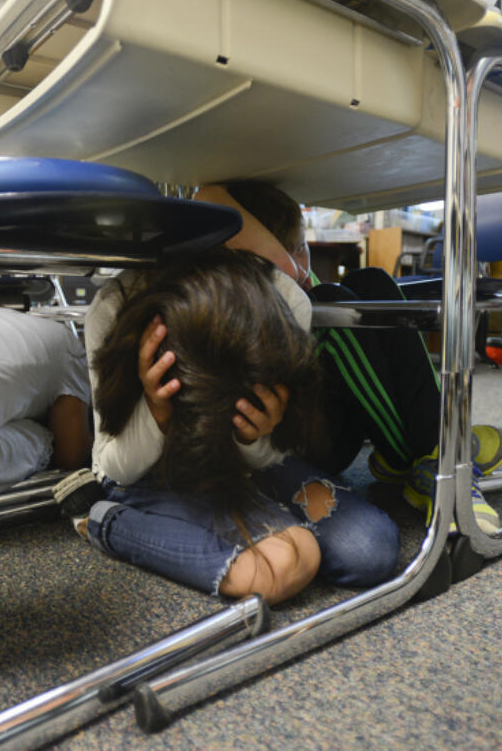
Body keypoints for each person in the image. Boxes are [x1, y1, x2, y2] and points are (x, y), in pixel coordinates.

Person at [75, 248, 399, 604]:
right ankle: (108, 522)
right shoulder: (114, 306)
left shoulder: (285, 299)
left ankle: (237, 523)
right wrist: (156, 415)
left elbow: (278, 449)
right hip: (145, 469)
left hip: (244, 460)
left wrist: (254, 437)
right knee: (284, 563)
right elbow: (116, 468)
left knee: (369, 549)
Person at [193, 181, 502, 534]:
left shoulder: (301, 280)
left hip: (334, 419)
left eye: (302, 248)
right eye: (288, 253)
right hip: (296, 442)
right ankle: (434, 457)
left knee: (370, 281)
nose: (300, 264)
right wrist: (287, 268)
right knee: (330, 304)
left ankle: (423, 453)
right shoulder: (239, 291)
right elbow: (206, 192)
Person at [0, 305, 93, 500]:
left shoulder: (56, 336)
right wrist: (45, 437)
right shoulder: (71, 353)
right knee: (40, 442)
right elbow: (72, 455)